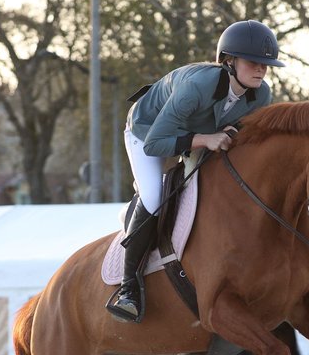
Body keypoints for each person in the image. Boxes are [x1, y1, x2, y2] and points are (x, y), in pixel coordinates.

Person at [106, 20, 285, 323]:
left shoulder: (260, 95)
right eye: (254, 62)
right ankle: (129, 289)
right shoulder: (198, 86)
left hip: (194, 135)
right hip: (147, 132)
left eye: (266, 65)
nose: (261, 70)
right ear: (230, 61)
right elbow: (155, 145)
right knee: (153, 196)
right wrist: (207, 139)